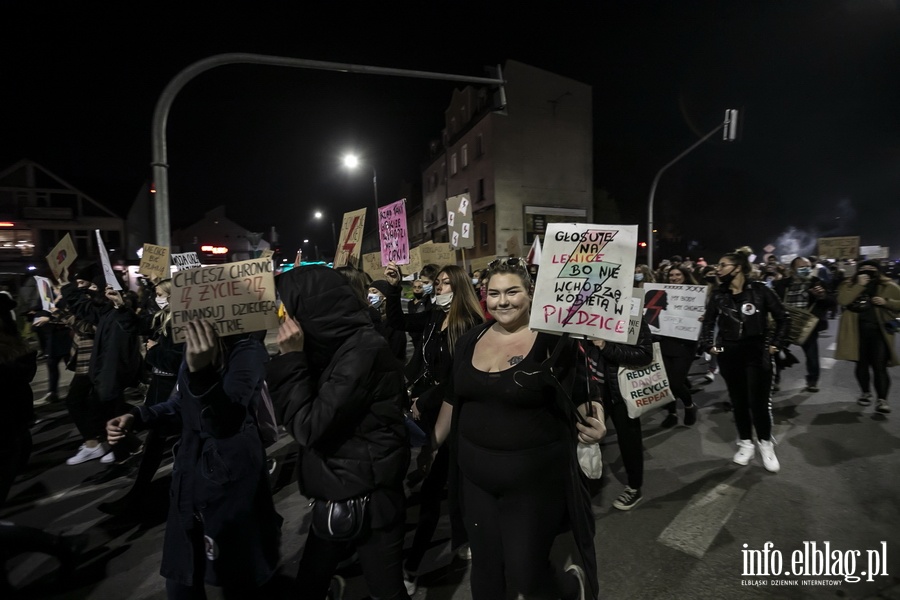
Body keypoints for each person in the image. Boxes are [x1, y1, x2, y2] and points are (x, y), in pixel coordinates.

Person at [428, 257, 604, 599]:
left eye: (512, 292)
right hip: (475, 480)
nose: (502, 301)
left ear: (530, 293)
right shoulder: (470, 340)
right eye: (494, 293)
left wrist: (596, 424)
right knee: (486, 571)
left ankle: (570, 589)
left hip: (533, 484)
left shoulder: (554, 342)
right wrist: (432, 443)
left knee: (526, 575)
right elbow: (453, 397)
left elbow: (585, 397)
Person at [107, 320, 282, 598]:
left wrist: (201, 372)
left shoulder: (246, 351)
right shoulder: (194, 349)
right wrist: (139, 416)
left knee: (239, 576)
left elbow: (225, 421)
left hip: (228, 479)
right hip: (189, 476)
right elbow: (180, 404)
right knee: (181, 580)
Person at [265, 265, 410, 600]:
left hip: (368, 497)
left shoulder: (363, 351)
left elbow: (307, 426)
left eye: (287, 309)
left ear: (312, 309)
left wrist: (290, 361)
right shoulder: (334, 347)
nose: (282, 319)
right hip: (340, 488)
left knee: (385, 591)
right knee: (310, 585)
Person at [382, 261, 484, 594]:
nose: (437, 287)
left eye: (443, 283)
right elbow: (398, 323)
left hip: (455, 412)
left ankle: (411, 568)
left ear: (459, 287)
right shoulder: (433, 317)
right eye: (436, 283)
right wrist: (396, 289)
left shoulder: (468, 325)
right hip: (427, 408)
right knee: (447, 483)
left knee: (438, 488)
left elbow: (457, 379)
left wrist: (423, 400)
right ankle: (461, 538)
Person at [699, 247, 790, 473]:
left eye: (722, 265)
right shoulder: (718, 295)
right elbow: (709, 322)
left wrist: (775, 344)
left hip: (757, 351)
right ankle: (745, 443)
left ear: (737, 268)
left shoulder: (760, 291)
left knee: (758, 403)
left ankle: (766, 445)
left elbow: (783, 318)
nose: (717, 269)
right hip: (729, 352)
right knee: (738, 401)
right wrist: (709, 344)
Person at [100, 278, 185, 515]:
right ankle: (138, 495)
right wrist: (121, 306)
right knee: (155, 443)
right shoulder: (164, 316)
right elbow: (140, 325)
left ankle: (147, 497)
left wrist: (153, 351)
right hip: (161, 388)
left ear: (171, 295)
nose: (156, 297)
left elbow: (176, 360)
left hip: (175, 391)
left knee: (172, 442)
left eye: (159, 293)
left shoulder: (182, 321)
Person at [60, 267, 144, 465]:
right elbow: (84, 308)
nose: (90, 290)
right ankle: (124, 447)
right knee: (104, 407)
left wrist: (122, 307)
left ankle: (124, 450)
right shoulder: (104, 310)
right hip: (103, 369)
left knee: (107, 407)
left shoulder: (120, 312)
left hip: (112, 369)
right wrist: (66, 287)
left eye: (95, 287)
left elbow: (136, 326)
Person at [579, 313, 654, 512]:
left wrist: (606, 347)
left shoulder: (632, 316)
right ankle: (583, 482)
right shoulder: (585, 313)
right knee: (585, 436)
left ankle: (634, 486)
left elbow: (645, 354)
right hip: (591, 389)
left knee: (629, 438)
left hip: (619, 392)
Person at [835, 260, 900, 414]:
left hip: (880, 331)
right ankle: (865, 393)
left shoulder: (889, 286)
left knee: (879, 366)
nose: (867, 271)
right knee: (861, 364)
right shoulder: (849, 284)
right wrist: (860, 285)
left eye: (872, 268)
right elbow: (843, 300)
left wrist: (887, 302)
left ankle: (882, 400)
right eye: (863, 269)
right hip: (855, 331)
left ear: (878, 270)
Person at [772, 257, 833, 393]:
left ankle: (812, 381)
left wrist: (821, 296)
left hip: (807, 325)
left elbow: (832, 301)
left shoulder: (817, 283)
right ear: (793, 269)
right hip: (784, 324)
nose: (806, 269)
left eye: (808, 266)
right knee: (774, 353)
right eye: (802, 267)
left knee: (812, 355)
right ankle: (774, 380)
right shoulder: (781, 284)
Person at [657, 265, 700, 428]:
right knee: (666, 382)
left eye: (677, 274)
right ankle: (672, 413)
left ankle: (689, 406)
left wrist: (701, 317)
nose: (673, 277)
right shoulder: (662, 292)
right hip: (666, 342)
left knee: (676, 382)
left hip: (685, 344)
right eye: (671, 275)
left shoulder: (695, 293)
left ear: (686, 276)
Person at [368, 279, 407, 364]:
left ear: (384, 296)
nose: (370, 295)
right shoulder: (370, 318)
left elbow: (396, 349)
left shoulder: (393, 322)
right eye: (369, 292)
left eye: (374, 292)